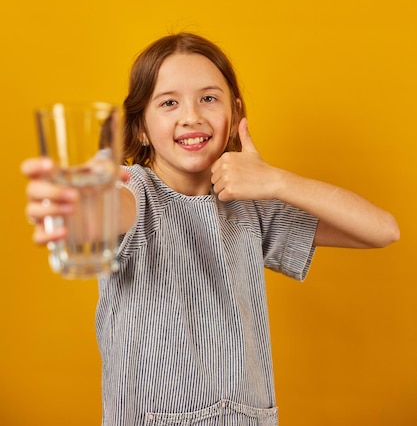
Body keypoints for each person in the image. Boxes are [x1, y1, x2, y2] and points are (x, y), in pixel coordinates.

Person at [21, 32, 400, 426]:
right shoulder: (136, 192)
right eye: (169, 102)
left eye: (208, 98)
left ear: (234, 114)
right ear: (141, 129)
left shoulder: (251, 204)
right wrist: (75, 207)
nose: (192, 116)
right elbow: (105, 210)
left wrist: (276, 181)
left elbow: (382, 230)